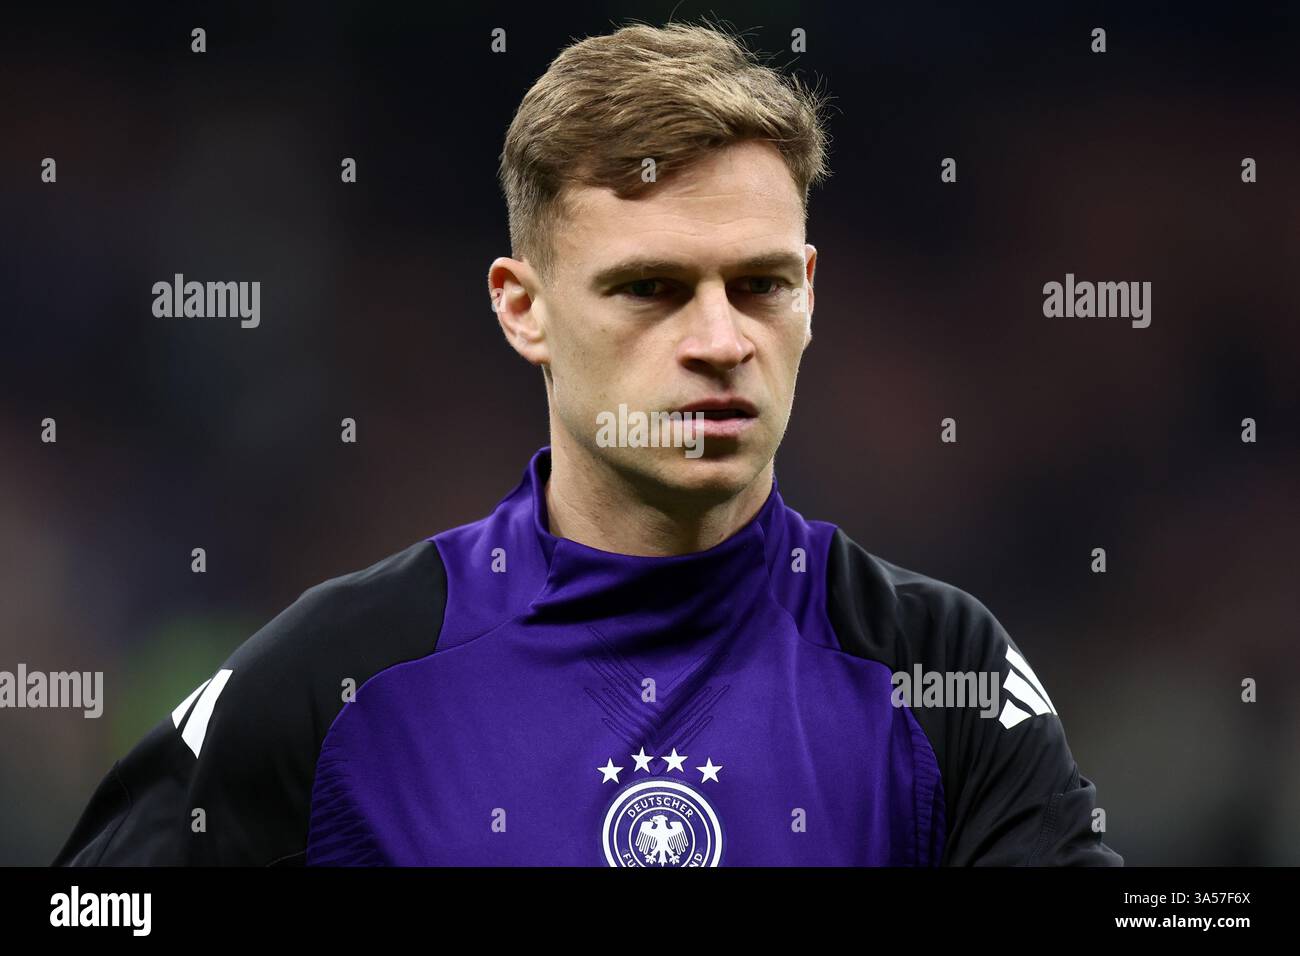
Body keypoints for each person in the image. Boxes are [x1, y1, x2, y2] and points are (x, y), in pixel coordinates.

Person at [54, 21, 1121, 867]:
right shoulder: (339, 678)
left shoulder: (941, 667)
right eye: (649, 288)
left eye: (759, 285)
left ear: (809, 294)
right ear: (524, 310)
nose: (719, 341)